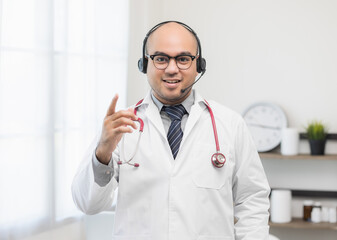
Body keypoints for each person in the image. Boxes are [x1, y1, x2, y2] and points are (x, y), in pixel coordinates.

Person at [72, 21, 270, 240]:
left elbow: (252, 200)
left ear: (199, 65)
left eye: (183, 59)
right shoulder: (121, 126)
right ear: (144, 64)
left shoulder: (230, 124)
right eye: (161, 58)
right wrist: (103, 153)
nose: (172, 68)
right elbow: (87, 204)